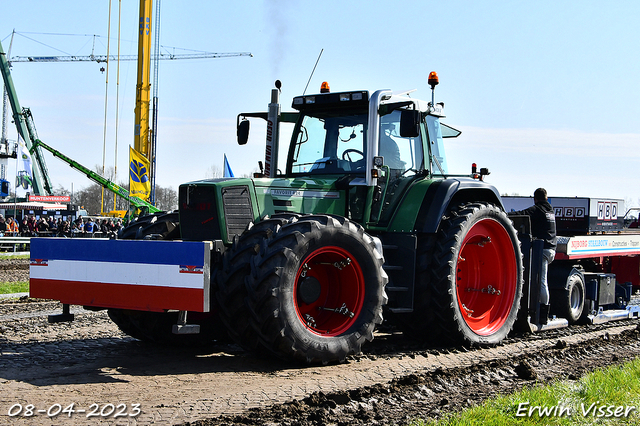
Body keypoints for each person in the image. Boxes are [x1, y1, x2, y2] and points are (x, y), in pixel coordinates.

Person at [512, 188, 557, 324]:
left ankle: (542, 314)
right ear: (546, 197)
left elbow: (522, 214)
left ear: (535, 198)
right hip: (552, 249)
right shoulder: (550, 210)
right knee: (541, 280)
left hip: (543, 251)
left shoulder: (538, 209)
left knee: (541, 281)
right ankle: (542, 311)